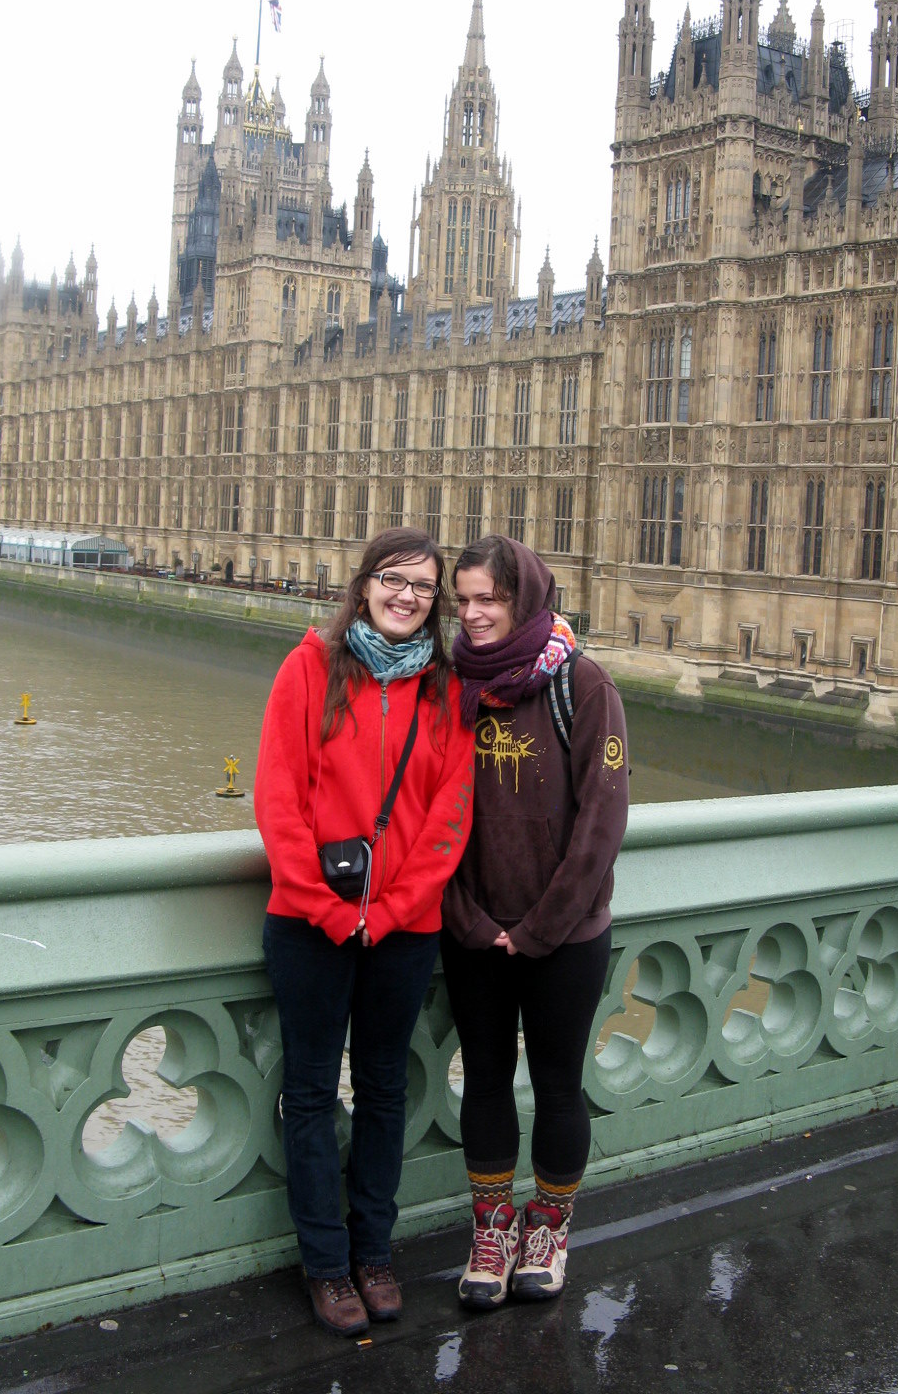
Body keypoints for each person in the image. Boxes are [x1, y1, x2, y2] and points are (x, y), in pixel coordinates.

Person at [254, 528, 476, 1336]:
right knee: (310, 1093)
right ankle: (325, 1267)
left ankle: (373, 1253)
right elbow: (278, 797)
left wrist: (386, 912)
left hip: (402, 929)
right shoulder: (309, 666)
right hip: (308, 924)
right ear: (365, 585)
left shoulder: (449, 691)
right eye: (393, 579)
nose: (407, 595)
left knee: (384, 1089)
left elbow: (450, 818)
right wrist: (321, 904)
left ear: (436, 603)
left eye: (423, 586)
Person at [442, 535, 629, 1307]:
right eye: (464, 600)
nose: (475, 614)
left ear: (527, 599)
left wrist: (543, 926)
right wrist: (469, 918)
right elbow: (429, 814)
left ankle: (546, 1231)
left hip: (565, 938)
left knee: (558, 1087)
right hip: (475, 933)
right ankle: (492, 1229)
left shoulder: (583, 685)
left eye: (490, 598)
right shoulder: (449, 684)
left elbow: (602, 820)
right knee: (483, 1083)